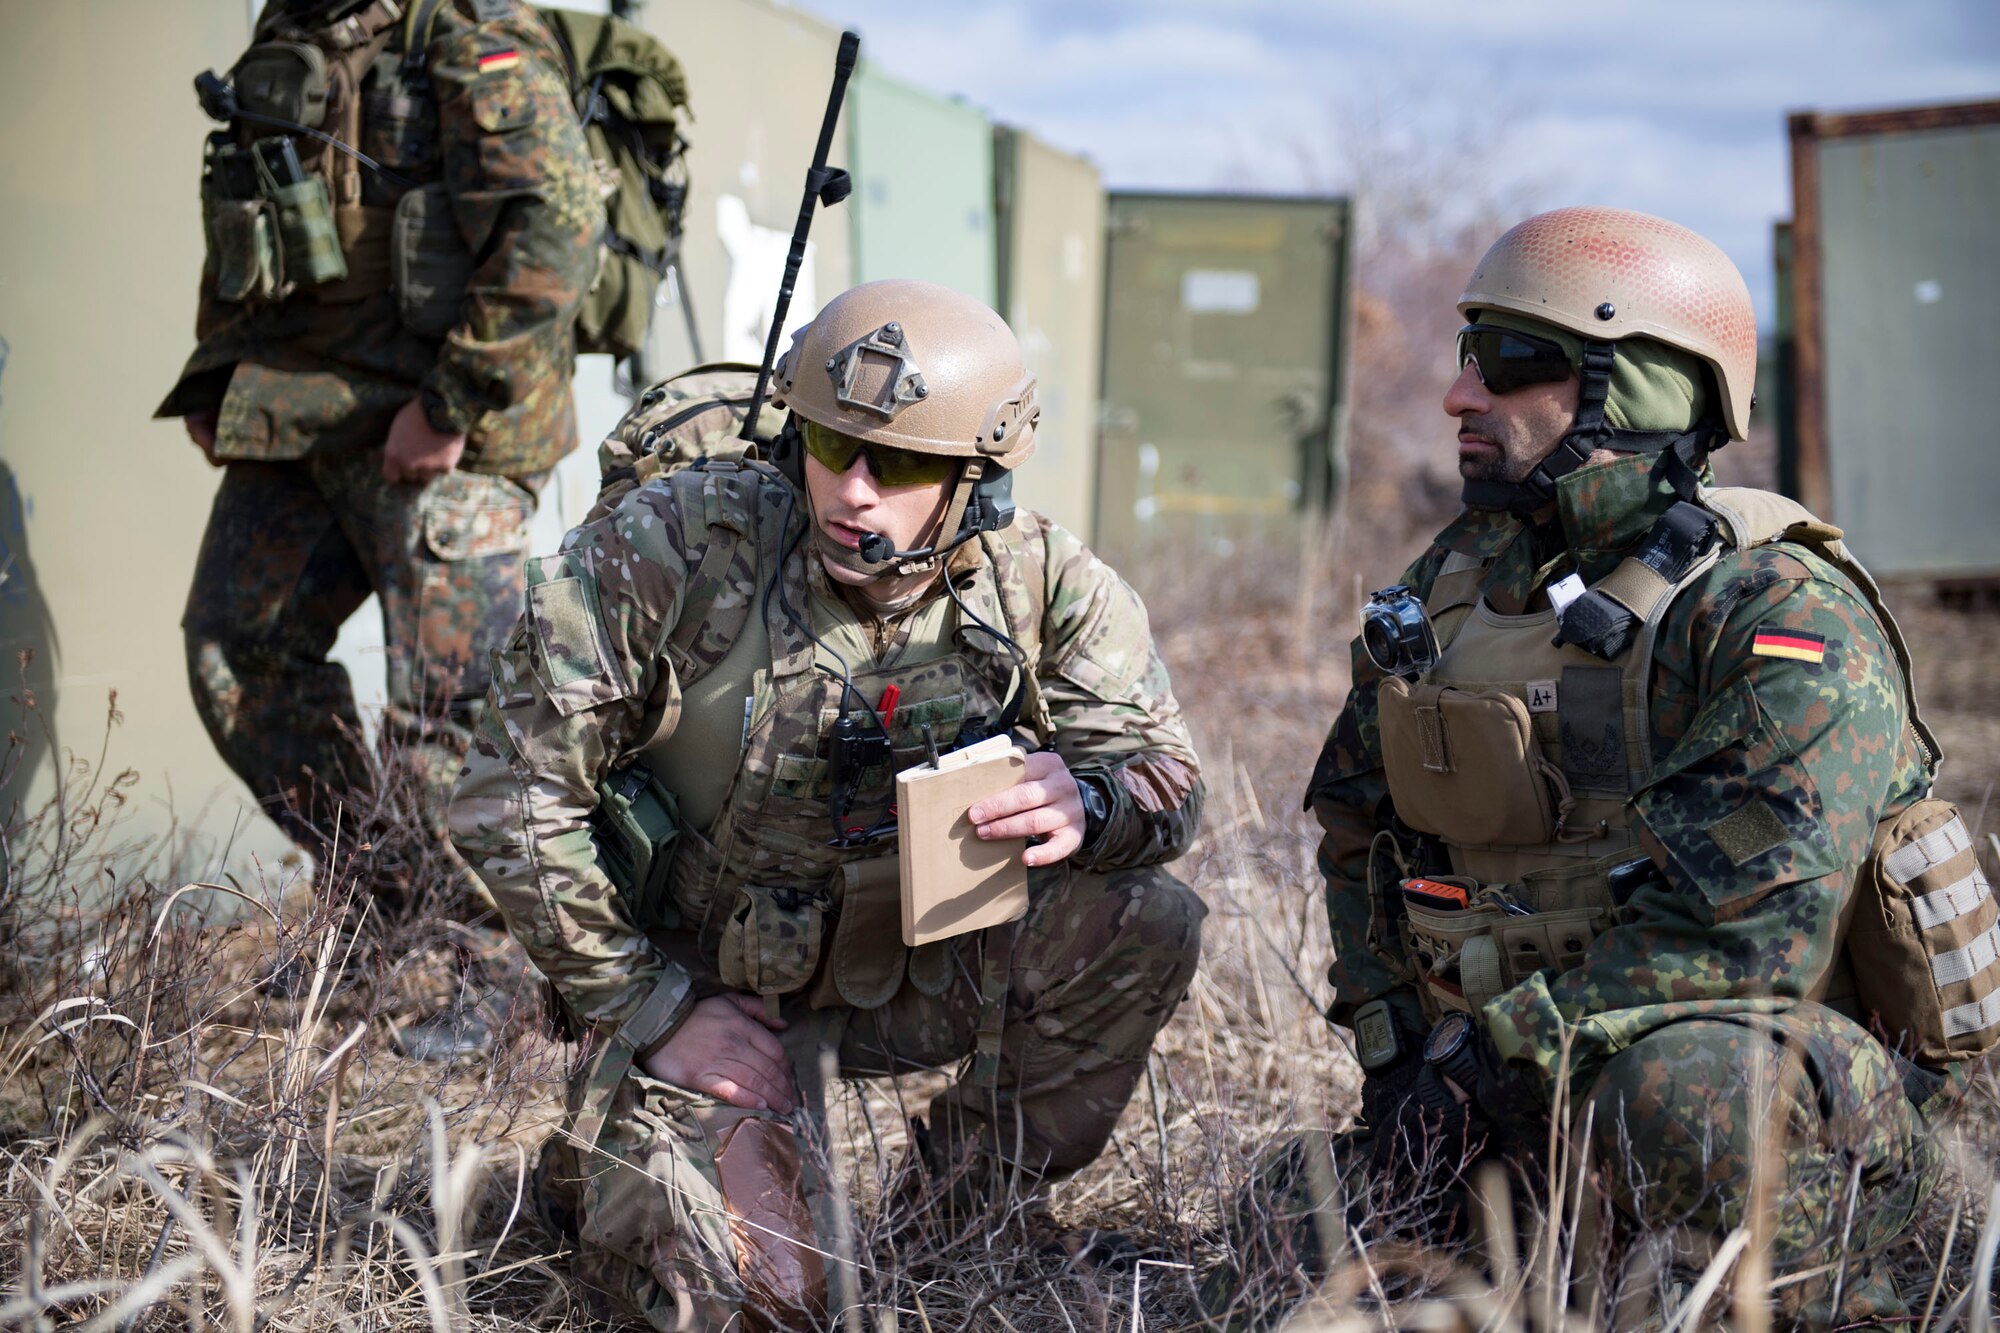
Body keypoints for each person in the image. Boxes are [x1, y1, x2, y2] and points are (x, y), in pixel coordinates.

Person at [448, 279, 1207, 1328]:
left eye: (894, 464)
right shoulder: (675, 544)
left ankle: (961, 1213)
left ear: (973, 478)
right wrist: (650, 1009)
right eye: (825, 444)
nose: (851, 490)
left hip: (903, 970)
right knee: (767, 1302)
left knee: (1146, 922)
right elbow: (506, 796)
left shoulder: (1040, 581)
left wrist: (1092, 796)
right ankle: (612, 1162)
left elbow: (1167, 773)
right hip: (707, 990)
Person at [1283, 207, 1964, 1326]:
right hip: (1521, 1078)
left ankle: (1858, 1288)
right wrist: (1399, 1060)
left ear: (1638, 388)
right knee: (1294, 1212)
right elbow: (1358, 836)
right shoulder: (1451, 585)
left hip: (1771, 1087)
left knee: (1685, 1096)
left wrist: (1481, 1065)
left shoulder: (1773, 612)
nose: (1460, 396)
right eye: (1469, 357)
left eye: (1507, 363)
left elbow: (1749, 931)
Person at [157, 0, 599, 892]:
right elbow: (248, 210)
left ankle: (480, 966)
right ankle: (381, 898)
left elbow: (555, 227)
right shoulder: (290, 28)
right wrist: (218, 368)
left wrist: (451, 405)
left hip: (448, 421)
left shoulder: (466, 27)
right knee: (237, 651)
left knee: (452, 711)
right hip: (303, 406)